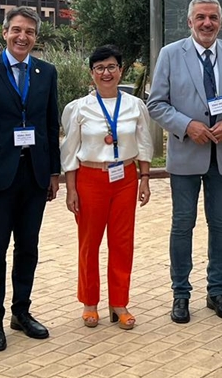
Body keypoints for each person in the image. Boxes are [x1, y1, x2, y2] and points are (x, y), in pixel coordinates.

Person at [147, 0, 222, 324]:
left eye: (213, 17)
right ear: (189, 22)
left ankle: (216, 291)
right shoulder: (170, 54)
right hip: (186, 156)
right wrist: (186, 126)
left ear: (220, 22)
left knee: (220, 225)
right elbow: (156, 104)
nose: (207, 23)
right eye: (201, 17)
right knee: (183, 226)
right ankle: (180, 294)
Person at [0, 6, 61, 352]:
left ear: (36, 37)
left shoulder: (46, 72)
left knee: (28, 247)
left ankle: (21, 312)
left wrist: (53, 172)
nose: (23, 37)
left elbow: (50, 124)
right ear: (4, 33)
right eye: (17, 30)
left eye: (30, 32)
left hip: (34, 175)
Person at [61, 45, 154, 330]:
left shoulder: (135, 105)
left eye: (112, 66)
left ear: (121, 70)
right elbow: (70, 150)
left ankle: (119, 303)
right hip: (90, 179)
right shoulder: (78, 107)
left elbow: (144, 143)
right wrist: (71, 189)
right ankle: (90, 302)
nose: (106, 73)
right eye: (99, 68)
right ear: (91, 73)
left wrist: (145, 178)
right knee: (90, 243)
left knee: (122, 242)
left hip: (125, 178)